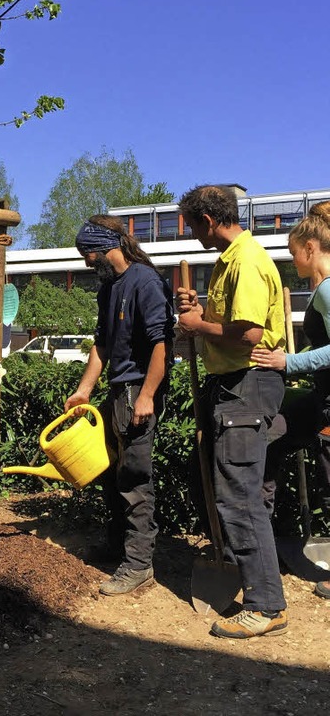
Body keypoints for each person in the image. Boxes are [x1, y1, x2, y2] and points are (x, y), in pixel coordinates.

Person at [177, 184, 288, 639]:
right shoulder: (231, 261)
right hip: (238, 386)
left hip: (246, 387)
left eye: (191, 225)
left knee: (239, 494)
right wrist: (202, 313)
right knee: (250, 490)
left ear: (207, 220)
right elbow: (229, 323)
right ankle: (264, 588)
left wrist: (196, 325)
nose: (192, 235)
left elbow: (248, 334)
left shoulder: (245, 260)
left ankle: (265, 606)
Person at [64, 215, 174, 595]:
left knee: (134, 477)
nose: (85, 263)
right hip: (117, 392)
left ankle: (139, 564)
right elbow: (102, 344)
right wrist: (84, 390)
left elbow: (162, 345)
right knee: (111, 473)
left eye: (87, 255)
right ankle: (117, 545)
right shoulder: (109, 289)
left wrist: (146, 395)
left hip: (137, 393)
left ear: (104, 248)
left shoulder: (145, 282)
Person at [251, 201, 330, 601]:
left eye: (293, 249)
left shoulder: (328, 289)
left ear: (311, 247)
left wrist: (289, 361)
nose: (291, 256)